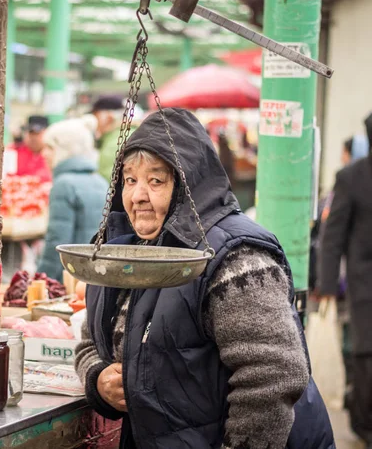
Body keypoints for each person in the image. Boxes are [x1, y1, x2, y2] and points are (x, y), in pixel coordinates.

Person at [75, 108, 334, 449]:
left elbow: (272, 376)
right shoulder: (128, 252)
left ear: (187, 186)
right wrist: (97, 378)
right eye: (130, 179)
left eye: (156, 181)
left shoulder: (237, 259)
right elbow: (88, 342)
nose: (138, 195)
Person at [318, 115, 372, 448]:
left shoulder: (352, 176)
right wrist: (325, 286)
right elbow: (332, 235)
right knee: (366, 354)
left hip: (363, 281)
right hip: (364, 282)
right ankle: (365, 422)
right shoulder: (351, 177)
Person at [37, 116, 108, 282]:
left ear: (65, 149)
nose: (44, 153)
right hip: (94, 275)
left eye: (49, 147)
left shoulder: (64, 185)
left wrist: (40, 278)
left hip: (69, 277)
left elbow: (56, 242)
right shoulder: (100, 182)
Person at [91, 95, 127, 180]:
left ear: (108, 116)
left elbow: (108, 182)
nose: (94, 121)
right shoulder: (114, 137)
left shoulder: (115, 143)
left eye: (95, 116)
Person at [15, 115, 51, 182]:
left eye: (37, 133)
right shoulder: (14, 151)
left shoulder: (52, 155)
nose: (33, 137)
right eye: (30, 133)